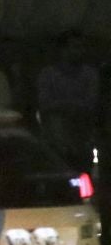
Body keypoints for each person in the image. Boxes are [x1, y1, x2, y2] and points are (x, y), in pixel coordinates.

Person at [36, 33, 102, 171]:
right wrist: (72, 106)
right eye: (74, 47)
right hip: (55, 138)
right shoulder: (48, 74)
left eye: (81, 47)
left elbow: (91, 104)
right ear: (62, 49)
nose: (79, 51)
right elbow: (44, 104)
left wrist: (62, 105)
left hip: (82, 137)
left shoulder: (90, 74)